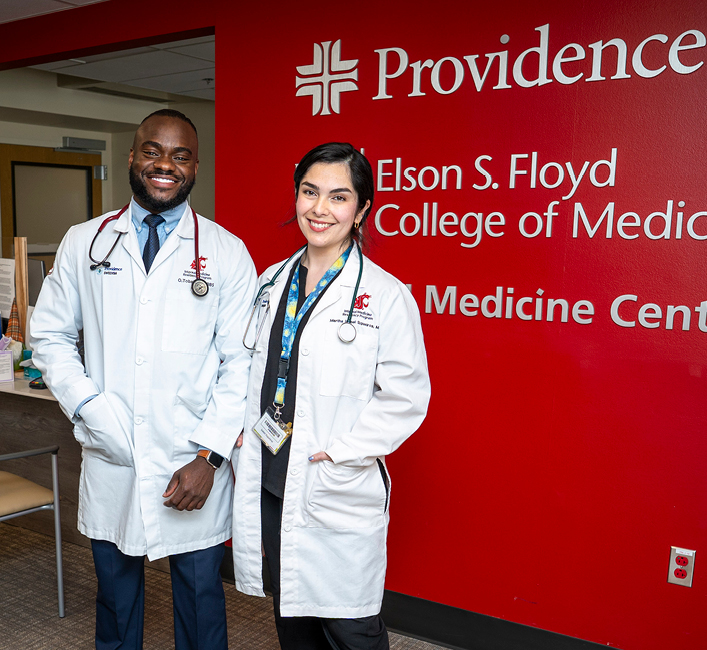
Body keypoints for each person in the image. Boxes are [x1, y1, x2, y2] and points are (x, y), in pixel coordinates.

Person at [30, 109, 256, 650]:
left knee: (202, 602)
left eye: (180, 156)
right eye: (153, 151)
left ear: (195, 168)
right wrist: (90, 408)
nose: (165, 165)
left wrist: (209, 459)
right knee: (115, 599)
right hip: (115, 454)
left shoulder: (225, 253)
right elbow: (50, 337)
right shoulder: (87, 242)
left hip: (192, 461)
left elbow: (240, 366)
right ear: (132, 157)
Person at [232, 142, 430, 649]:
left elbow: (406, 396)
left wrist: (341, 451)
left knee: (350, 628)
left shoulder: (385, 295)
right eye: (309, 192)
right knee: (292, 620)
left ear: (362, 209)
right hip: (273, 476)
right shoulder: (271, 282)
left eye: (338, 197)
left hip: (331, 479)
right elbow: (251, 368)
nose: (320, 209)